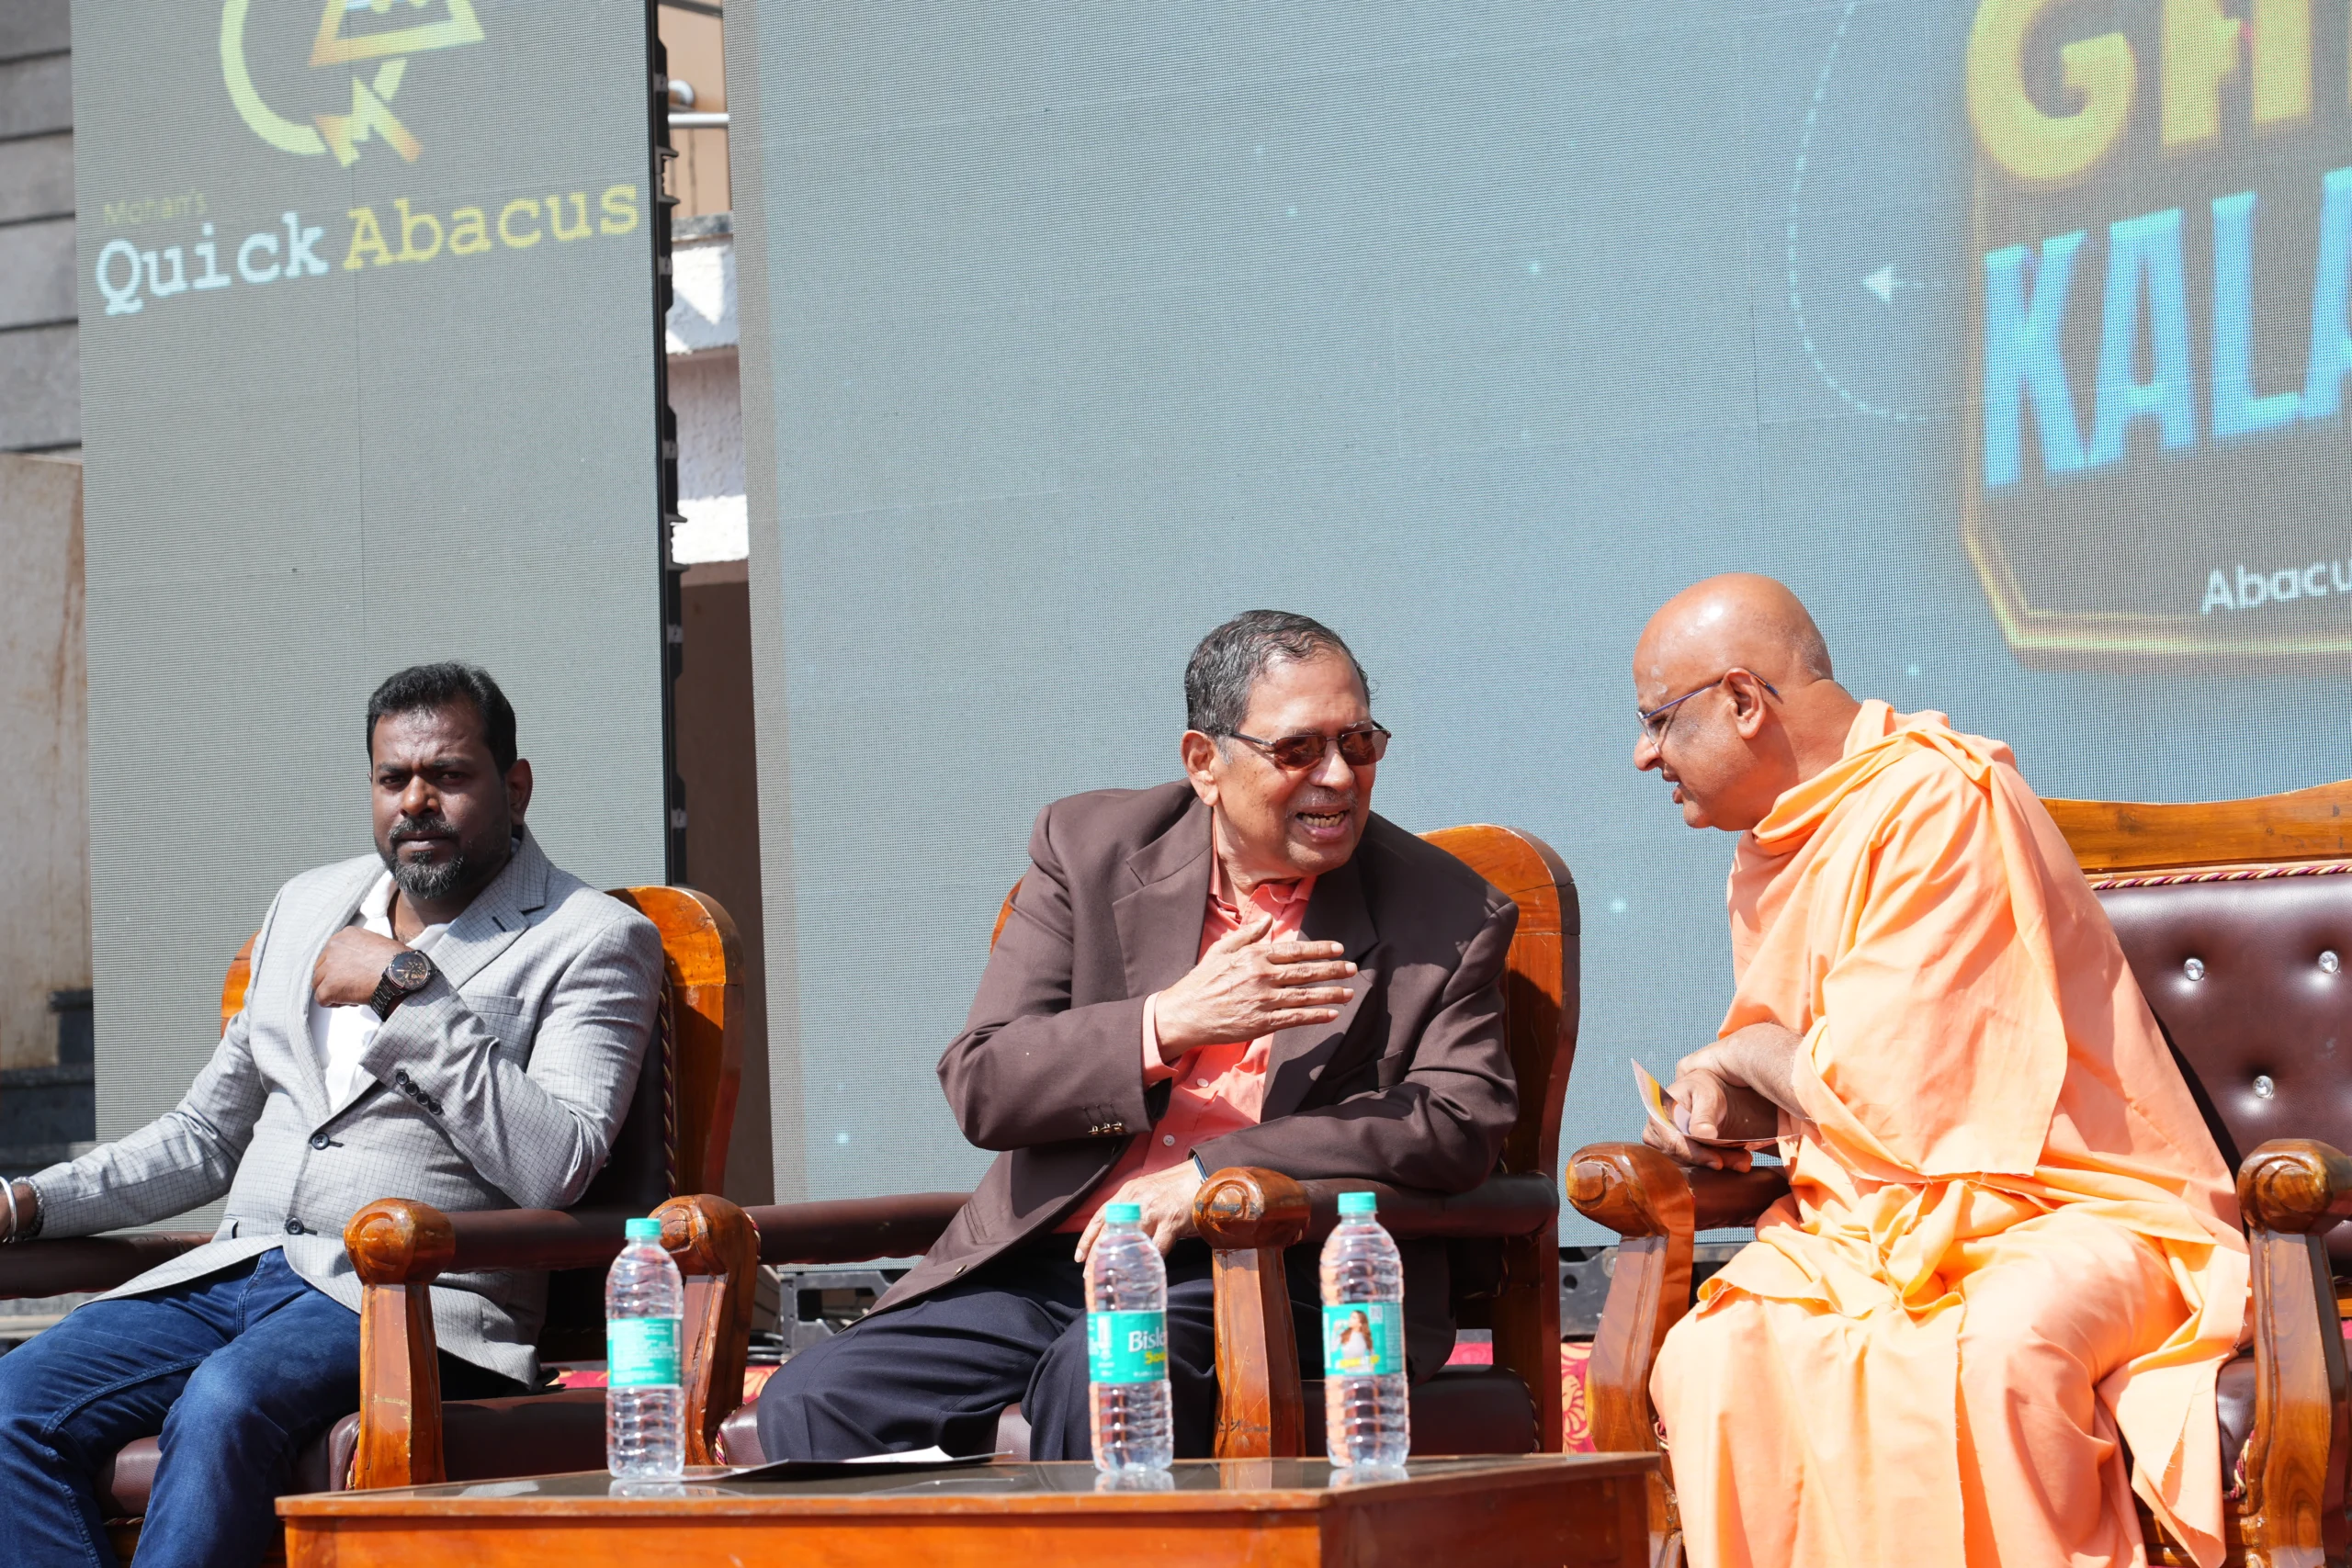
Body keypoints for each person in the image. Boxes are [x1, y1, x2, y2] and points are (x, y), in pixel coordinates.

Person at [757, 609, 1520, 1462]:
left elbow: (1457, 1120)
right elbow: (985, 1082)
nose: (1339, 776)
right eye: (1300, 750)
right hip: (1051, 1259)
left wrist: (1210, 1175)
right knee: (814, 1400)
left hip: (1271, 1268)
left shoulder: (1447, 911)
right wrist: (1169, 1022)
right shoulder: (1089, 850)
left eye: (1361, 743)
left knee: (1106, 1372)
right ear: (1205, 762)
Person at [1631, 575, 2247, 1568]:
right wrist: (1723, 1099)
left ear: (1743, 702)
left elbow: (1898, 1089)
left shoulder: (1936, 798)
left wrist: (1736, 1051)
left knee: (1995, 1350)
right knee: (1716, 1354)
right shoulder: (1779, 842)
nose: (1644, 753)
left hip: (2068, 1207)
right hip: (1872, 1222)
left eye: (1659, 720)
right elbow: (1824, 1080)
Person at [0, 662, 665, 1568]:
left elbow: (558, 1163)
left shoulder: (589, 938)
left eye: (449, 776)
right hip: (233, 1270)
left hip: (402, 1297)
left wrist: (408, 992)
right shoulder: (306, 905)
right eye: (394, 780)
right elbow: (204, 1137)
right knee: (13, 1408)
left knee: (226, 1402)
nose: (416, 802)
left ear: (515, 787)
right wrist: (26, 1205)